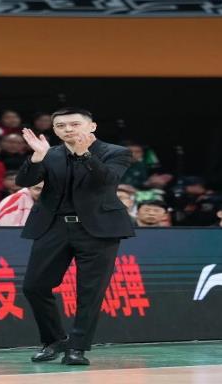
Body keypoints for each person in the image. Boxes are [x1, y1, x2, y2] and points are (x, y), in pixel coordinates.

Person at [16, 107, 134, 366]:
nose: (67, 129)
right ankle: (54, 340)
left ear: (91, 126)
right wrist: (37, 157)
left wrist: (84, 154)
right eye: (60, 126)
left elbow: (107, 180)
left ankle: (77, 348)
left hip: (98, 229)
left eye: (74, 124)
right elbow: (23, 181)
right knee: (34, 286)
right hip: (53, 226)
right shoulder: (50, 153)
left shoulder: (115, 152)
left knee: (90, 291)